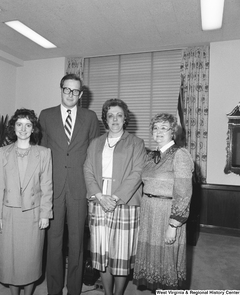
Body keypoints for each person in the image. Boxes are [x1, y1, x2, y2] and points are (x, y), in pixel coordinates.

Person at [39, 74, 100, 295]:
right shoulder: (45, 116)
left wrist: (94, 189)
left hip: (78, 188)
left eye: (75, 91)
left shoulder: (91, 117)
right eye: (67, 90)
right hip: (52, 188)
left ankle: (74, 289)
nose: (71, 94)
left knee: (77, 242)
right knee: (53, 243)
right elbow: (42, 154)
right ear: (61, 89)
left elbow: (95, 154)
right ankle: (54, 290)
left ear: (81, 94)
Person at [83, 99, 147, 295]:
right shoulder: (95, 143)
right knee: (102, 252)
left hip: (125, 202)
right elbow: (87, 169)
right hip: (99, 200)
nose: (115, 119)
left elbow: (137, 173)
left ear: (125, 118)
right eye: (110, 115)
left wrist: (116, 198)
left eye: (119, 115)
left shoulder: (136, 143)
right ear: (105, 119)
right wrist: (100, 196)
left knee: (120, 253)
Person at [0, 108, 53, 295]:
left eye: (28, 125)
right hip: (9, 214)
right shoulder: (3, 152)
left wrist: (45, 214)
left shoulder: (43, 153)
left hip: (33, 214)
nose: (23, 129)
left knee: (30, 260)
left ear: (33, 128)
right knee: (10, 260)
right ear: (14, 127)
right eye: (19, 124)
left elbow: (47, 186)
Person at [133, 113, 194, 290]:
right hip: (149, 214)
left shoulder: (180, 154)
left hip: (167, 214)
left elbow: (184, 193)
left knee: (167, 261)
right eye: (155, 128)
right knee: (153, 262)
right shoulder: (150, 156)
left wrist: (173, 225)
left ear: (173, 132)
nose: (158, 131)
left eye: (164, 128)